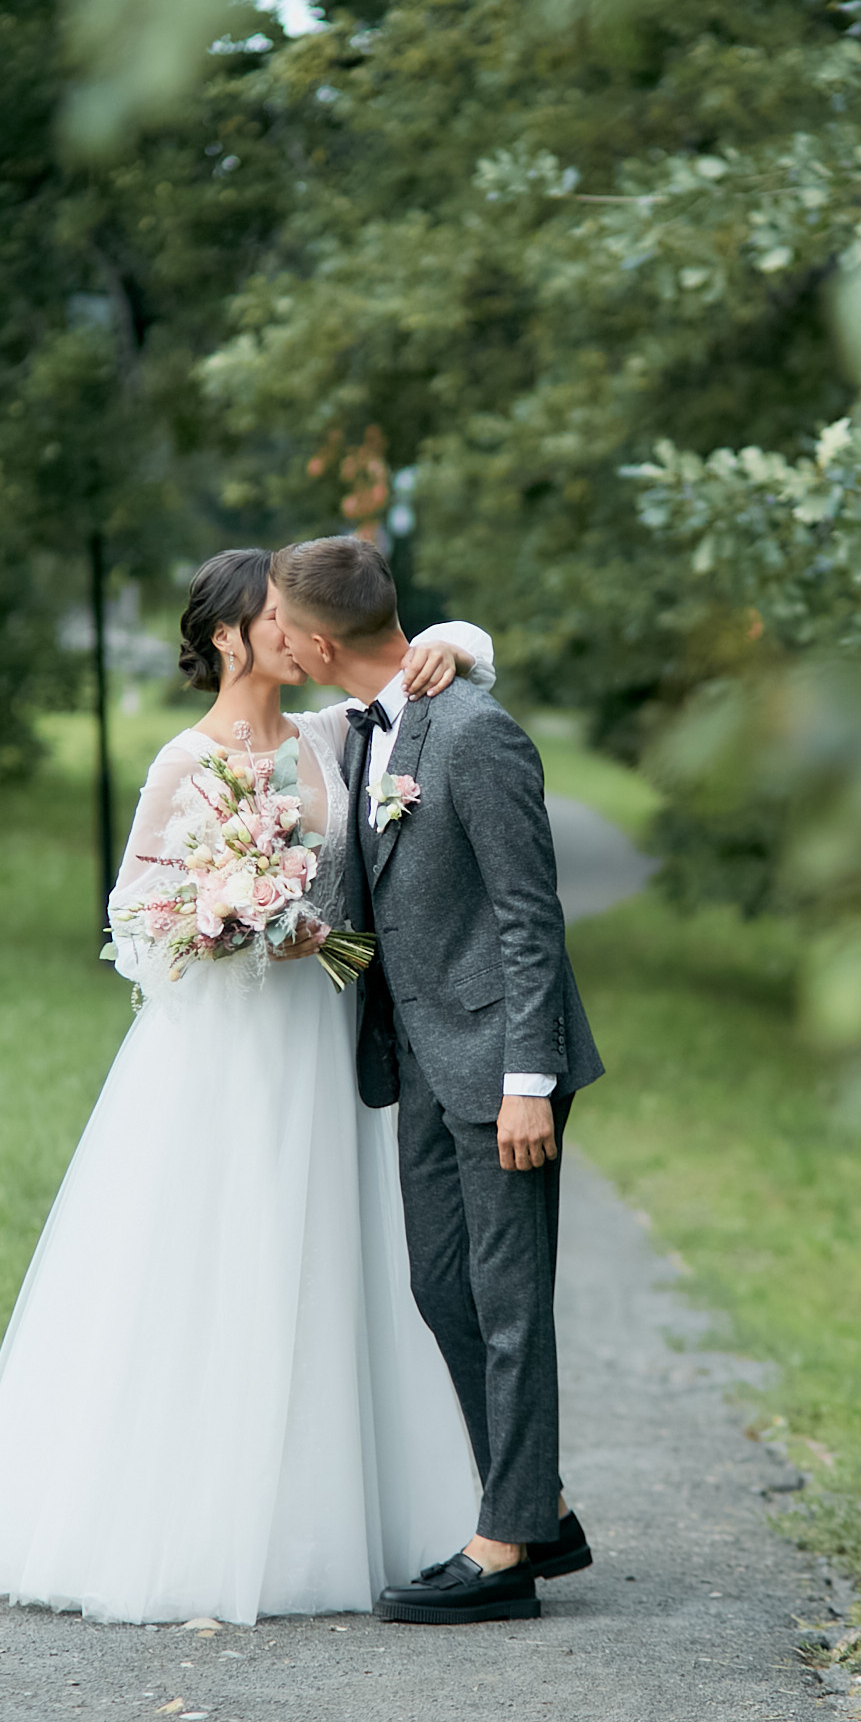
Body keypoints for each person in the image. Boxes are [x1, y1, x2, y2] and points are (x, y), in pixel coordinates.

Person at [0, 549, 493, 1627]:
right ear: (229, 636)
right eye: (269, 616)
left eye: (292, 615)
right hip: (222, 1050)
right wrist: (227, 921)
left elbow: (451, 647)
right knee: (214, 1262)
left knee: (330, 1256)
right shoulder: (179, 761)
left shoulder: (332, 738)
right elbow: (130, 921)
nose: (289, 631)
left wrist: (452, 645)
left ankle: (335, 1516)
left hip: (321, 1037)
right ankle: (192, 1520)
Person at [271, 537, 605, 1625]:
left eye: (284, 622)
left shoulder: (473, 734)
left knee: (508, 1302)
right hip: (414, 1055)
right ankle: (539, 1505)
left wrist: (527, 1080)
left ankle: (506, 1550)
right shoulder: (376, 725)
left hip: (500, 1064)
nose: (279, 635)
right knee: (441, 1287)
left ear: (321, 643)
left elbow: (527, 917)